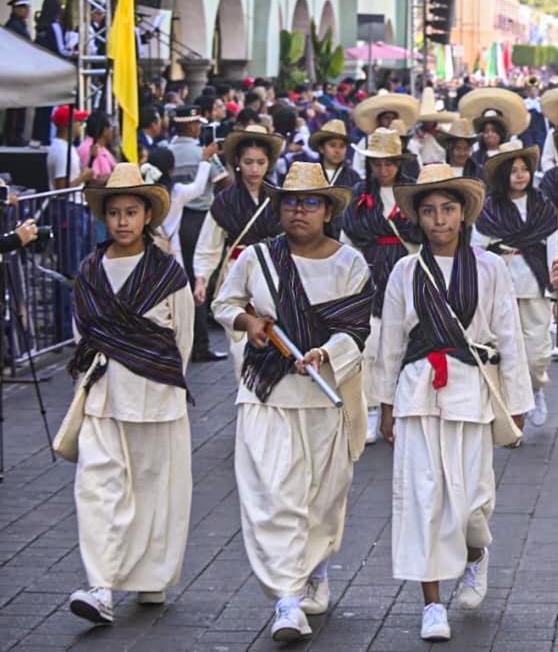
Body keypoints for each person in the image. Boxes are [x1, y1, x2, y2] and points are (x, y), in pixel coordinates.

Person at [212, 161, 374, 643]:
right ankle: (286, 598)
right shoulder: (256, 257)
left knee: (322, 499)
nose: (298, 211)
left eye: (309, 202)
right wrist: (249, 324)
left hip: (325, 396)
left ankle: (315, 571)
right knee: (272, 495)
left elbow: (357, 330)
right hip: (266, 392)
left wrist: (324, 352)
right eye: (290, 203)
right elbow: (224, 303)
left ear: (327, 210)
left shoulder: (350, 264)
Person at [373, 164, 533, 642]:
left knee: (471, 503)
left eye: (447, 209)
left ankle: (475, 553)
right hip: (418, 391)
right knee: (423, 498)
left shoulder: (489, 267)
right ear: (418, 218)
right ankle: (432, 604)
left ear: (464, 214)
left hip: (471, 392)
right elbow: (390, 343)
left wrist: (516, 401)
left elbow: (509, 335)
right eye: (429, 211)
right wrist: (385, 405)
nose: (439, 220)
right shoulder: (405, 271)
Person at [64, 164, 195, 625]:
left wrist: (158, 374)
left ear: (147, 216)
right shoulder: (90, 270)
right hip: (103, 396)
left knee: (155, 491)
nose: (122, 221)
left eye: (131, 212)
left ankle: (150, 576)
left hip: (156, 397)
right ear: (105, 217)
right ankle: (100, 585)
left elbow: (182, 340)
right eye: (115, 212)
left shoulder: (168, 273)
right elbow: (83, 333)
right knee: (97, 489)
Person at [340, 126, 423, 445]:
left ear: (399, 163)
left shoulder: (414, 192)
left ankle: (403, 406)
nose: (384, 169)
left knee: (409, 341)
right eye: (377, 163)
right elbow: (347, 240)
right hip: (370, 273)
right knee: (371, 346)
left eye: (389, 162)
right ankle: (373, 408)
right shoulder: (359, 194)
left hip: (408, 270)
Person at [472, 141, 558, 427]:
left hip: (536, 283)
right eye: (513, 170)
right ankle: (514, 408)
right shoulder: (490, 208)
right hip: (502, 284)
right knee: (506, 349)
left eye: (524, 169)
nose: (520, 175)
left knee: (537, 352)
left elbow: (554, 245)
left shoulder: (543, 205)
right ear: (503, 175)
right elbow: (477, 250)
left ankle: (536, 387)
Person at [192, 125, 283, 372]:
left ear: (269, 164)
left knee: (278, 340)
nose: (254, 169)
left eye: (261, 162)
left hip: (275, 272)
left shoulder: (280, 198)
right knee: (240, 348)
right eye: (248, 162)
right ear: (238, 163)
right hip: (237, 272)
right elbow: (209, 245)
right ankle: (244, 392)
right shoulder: (224, 202)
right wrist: (201, 278)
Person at [163, 104, 230, 362]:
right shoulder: (203, 153)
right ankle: (200, 344)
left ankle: (179, 341)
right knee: (199, 281)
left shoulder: (167, 150)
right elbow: (225, 183)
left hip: (173, 222)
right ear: (192, 126)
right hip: (200, 220)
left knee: (177, 283)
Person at [146, 142, 219, 260]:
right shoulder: (177, 192)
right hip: (172, 247)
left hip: (147, 247)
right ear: (172, 169)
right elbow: (199, 188)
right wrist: (204, 159)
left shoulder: (145, 191)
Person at [458, 88, 531, 177]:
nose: (490, 134)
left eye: (494, 131)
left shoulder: (511, 154)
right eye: (486, 131)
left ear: (501, 133)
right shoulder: (475, 158)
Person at [351, 92, 418, 178]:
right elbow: (358, 168)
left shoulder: (409, 144)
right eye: (387, 118)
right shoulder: (367, 142)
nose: (390, 121)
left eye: (393, 118)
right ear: (379, 120)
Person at [46, 105, 95, 190]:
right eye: (78, 121)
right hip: (71, 198)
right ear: (68, 124)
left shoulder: (64, 146)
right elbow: (61, 189)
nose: (81, 125)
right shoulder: (62, 151)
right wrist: (83, 178)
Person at [308, 119, 361, 189]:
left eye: (342, 146)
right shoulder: (309, 173)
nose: (337, 150)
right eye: (332, 145)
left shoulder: (353, 177)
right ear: (321, 148)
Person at [77, 111, 118, 183]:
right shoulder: (89, 149)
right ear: (105, 131)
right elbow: (92, 181)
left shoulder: (102, 148)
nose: (113, 132)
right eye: (111, 128)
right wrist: (114, 177)